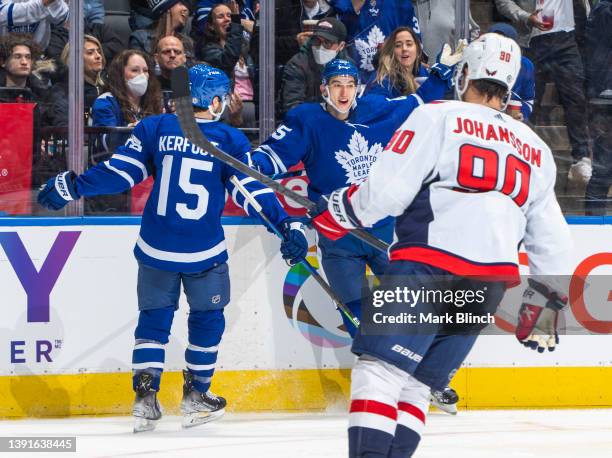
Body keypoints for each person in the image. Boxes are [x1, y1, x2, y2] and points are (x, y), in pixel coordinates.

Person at [310, 34, 572, 457]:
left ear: (466, 72)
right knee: (416, 384)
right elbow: (553, 239)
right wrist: (546, 301)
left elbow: (387, 192)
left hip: (429, 268)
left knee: (379, 371)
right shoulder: (536, 149)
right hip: (486, 286)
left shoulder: (438, 116)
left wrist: (340, 211)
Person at [36, 64, 308, 432]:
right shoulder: (228, 139)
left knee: (153, 320)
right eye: (223, 97)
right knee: (207, 321)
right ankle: (196, 396)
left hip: (156, 249)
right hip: (203, 253)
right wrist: (284, 225)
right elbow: (250, 192)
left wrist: (73, 187)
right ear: (213, 100)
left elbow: (121, 173)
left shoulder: (154, 128)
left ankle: (145, 398)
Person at [247, 54, 460, 338]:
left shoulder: (377, 109)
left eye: (349, 85)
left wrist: (439, 75)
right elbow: (268, 159)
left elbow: (418, 103)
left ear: (358, 88)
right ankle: (375, 372)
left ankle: (419, 373)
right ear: (324, 89)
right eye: (336, 85)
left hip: (385, 230)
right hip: (339, 237)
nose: (344, 92)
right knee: (357, 319)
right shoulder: (307, 121)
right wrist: (251, 164)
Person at [495, 0, 592, 184]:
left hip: (566, 37)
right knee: (530, 101)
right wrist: (525, 17)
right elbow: (502, 2)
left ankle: (581, 157)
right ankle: (522, 155)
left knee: (575, 97)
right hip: (532, 40)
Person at [328, 0, 420, 83]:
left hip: (393, 82)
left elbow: (414, 46)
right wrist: (353, 7)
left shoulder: (402, 4)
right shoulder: (338, 4)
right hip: (350, 81)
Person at [91, 49, 162, 153]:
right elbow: (108, 143)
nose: (142, 75)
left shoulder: (153, 101)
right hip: (113, 165)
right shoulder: (105, 102)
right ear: (120, 74)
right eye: (135, 70)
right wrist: (137, 129)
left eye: (145, 71)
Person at [280, 17, 349, 117]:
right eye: (317, 41)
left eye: (327, 43)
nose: (320, 47)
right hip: (306, 125)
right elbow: (292, 107)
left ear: (341, 46)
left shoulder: (348, 67)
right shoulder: (297, 64)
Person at [46, 35, 106, 127]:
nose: (98, 56)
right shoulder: (62, 91)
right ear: (74, 59)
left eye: (99, 52)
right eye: (90, 53)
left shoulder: (107, 88)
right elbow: (63, 126)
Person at [488, 23, 536, 122]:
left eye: (503, 42)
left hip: (512, 122)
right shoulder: (479, 61)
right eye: (495, 42)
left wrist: (522, 114)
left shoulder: (525, 65)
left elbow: (528, 99)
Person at [366, 26, 428, 98]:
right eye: (398, 45)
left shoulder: (422, 71)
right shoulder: (382, 79)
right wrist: (417, 98)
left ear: (417, 49)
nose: (404, 49)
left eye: (409, 44)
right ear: (391, 51)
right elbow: (376, 107)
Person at [0, 0, 68, 51]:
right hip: (4, 55)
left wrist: (50, 3)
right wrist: (44, 4)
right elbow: (3, 15)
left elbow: (62, 18)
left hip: (37, 56)